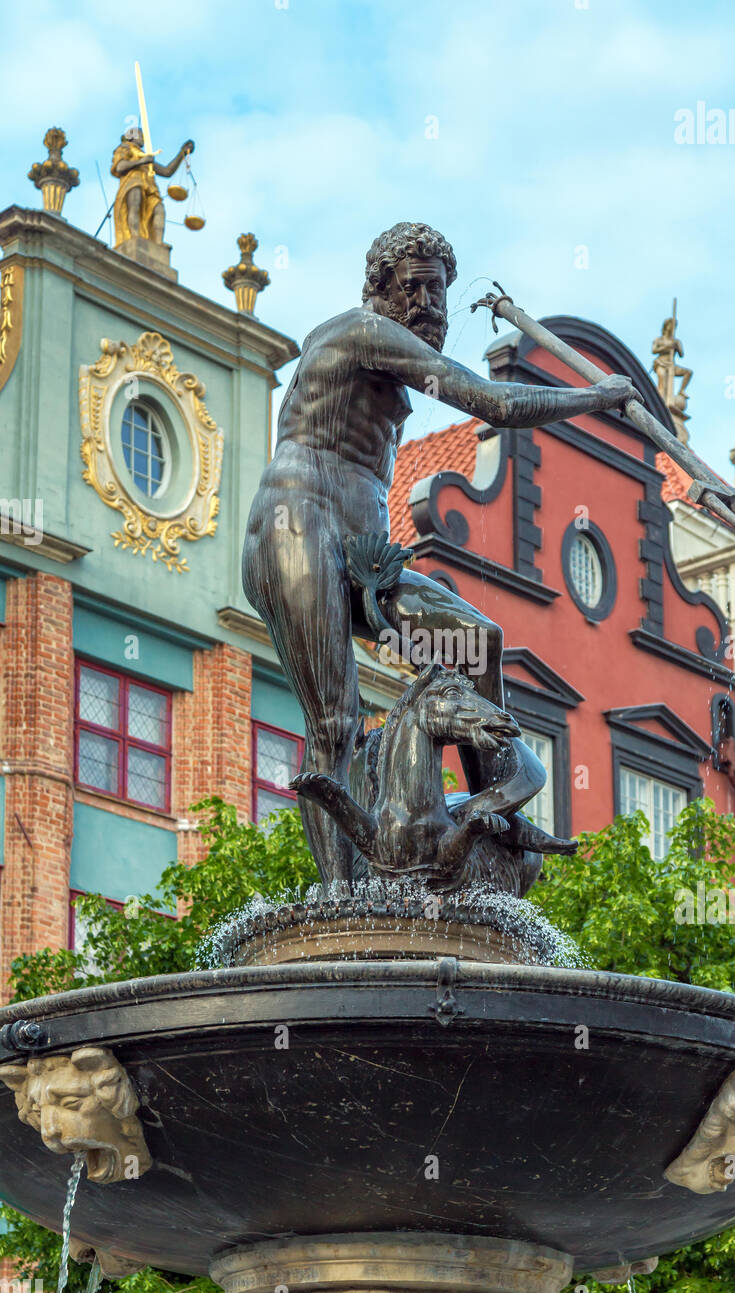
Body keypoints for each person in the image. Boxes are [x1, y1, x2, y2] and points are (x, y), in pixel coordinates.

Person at [243, 222, 640, 884]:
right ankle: (339, 900)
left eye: (441, 292)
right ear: (380, 290)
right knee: (337, 720)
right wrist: (596, 399)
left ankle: (496, 815)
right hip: (296, 525)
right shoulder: (361, 332)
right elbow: (491, 401)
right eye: (417, 288)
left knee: (475, 642)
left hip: (364, 549)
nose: (431, 306)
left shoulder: (387, 352)